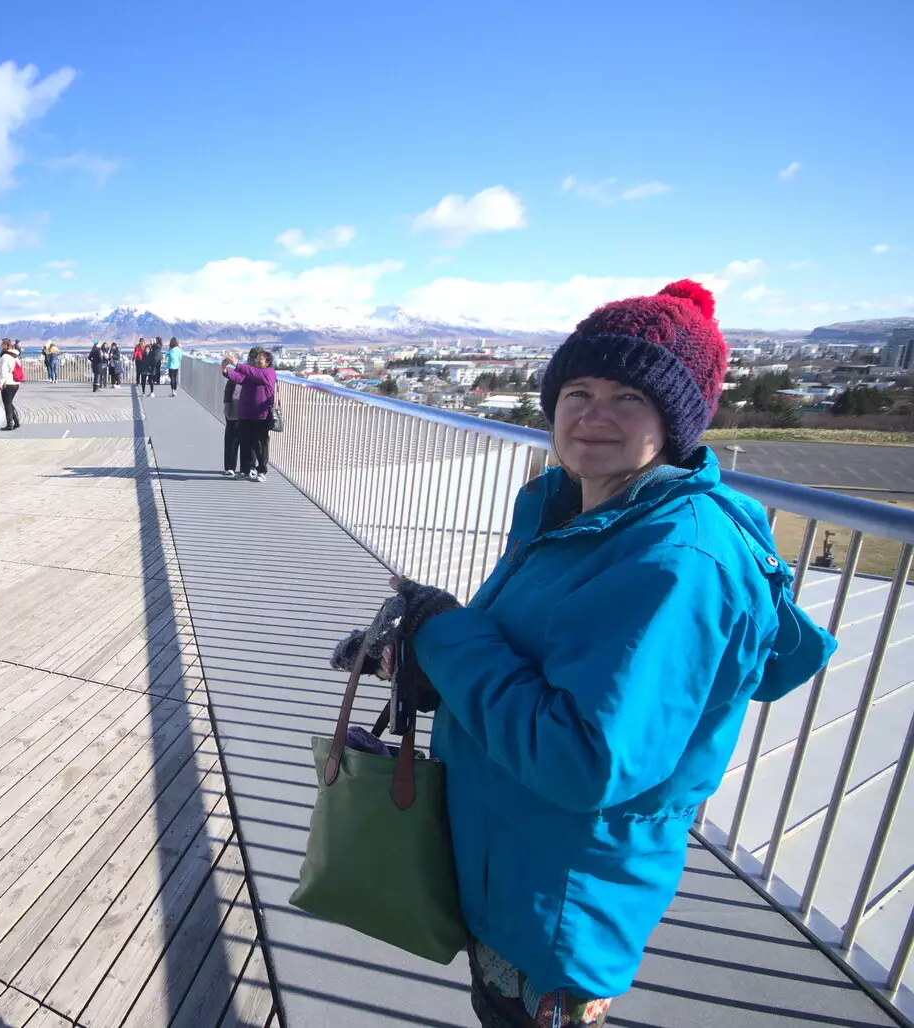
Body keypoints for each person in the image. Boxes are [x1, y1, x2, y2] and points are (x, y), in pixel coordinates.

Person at [331, 280, 836, 1028]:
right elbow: (541, 659)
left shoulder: (676, 560)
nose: (593, 414)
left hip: (555, 909)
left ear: (676, 421)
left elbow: (584, 759)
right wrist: (429, 663)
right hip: (512, 866)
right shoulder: (574, 509)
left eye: (628, 397)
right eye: (578, 389)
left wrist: (442, 633)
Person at [221, 347, 275, 480]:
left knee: (260, 443)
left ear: (268, 362)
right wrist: (225, 370)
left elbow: (254, 374)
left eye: (260, 359)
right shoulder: (252, 374)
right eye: (256, 358)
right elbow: (239, 378)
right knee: (245, 442)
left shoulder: (268, 373)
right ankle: (245, 469)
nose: (257, 360)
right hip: (245, 413)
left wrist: (237, 364)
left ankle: (261, 470)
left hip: (260, 414)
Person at [221, 351, 242, 476]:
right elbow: (229, 375)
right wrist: (224, 368)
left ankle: (246, 467)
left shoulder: (251, 372)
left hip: (242, 408)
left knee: (236, 438)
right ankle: (230, 466)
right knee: (232, 437)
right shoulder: (239, 373)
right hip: (232, 407)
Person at [0, 339, 22, 430]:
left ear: (4, 346)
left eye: (1, 345)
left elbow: (3, 372)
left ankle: (9, 424)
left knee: (7, 404)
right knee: (9, 402)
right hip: (16, 383)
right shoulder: (16, 356)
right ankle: (16, 421)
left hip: (8, 383)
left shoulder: (5, 357)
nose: (0, 347)